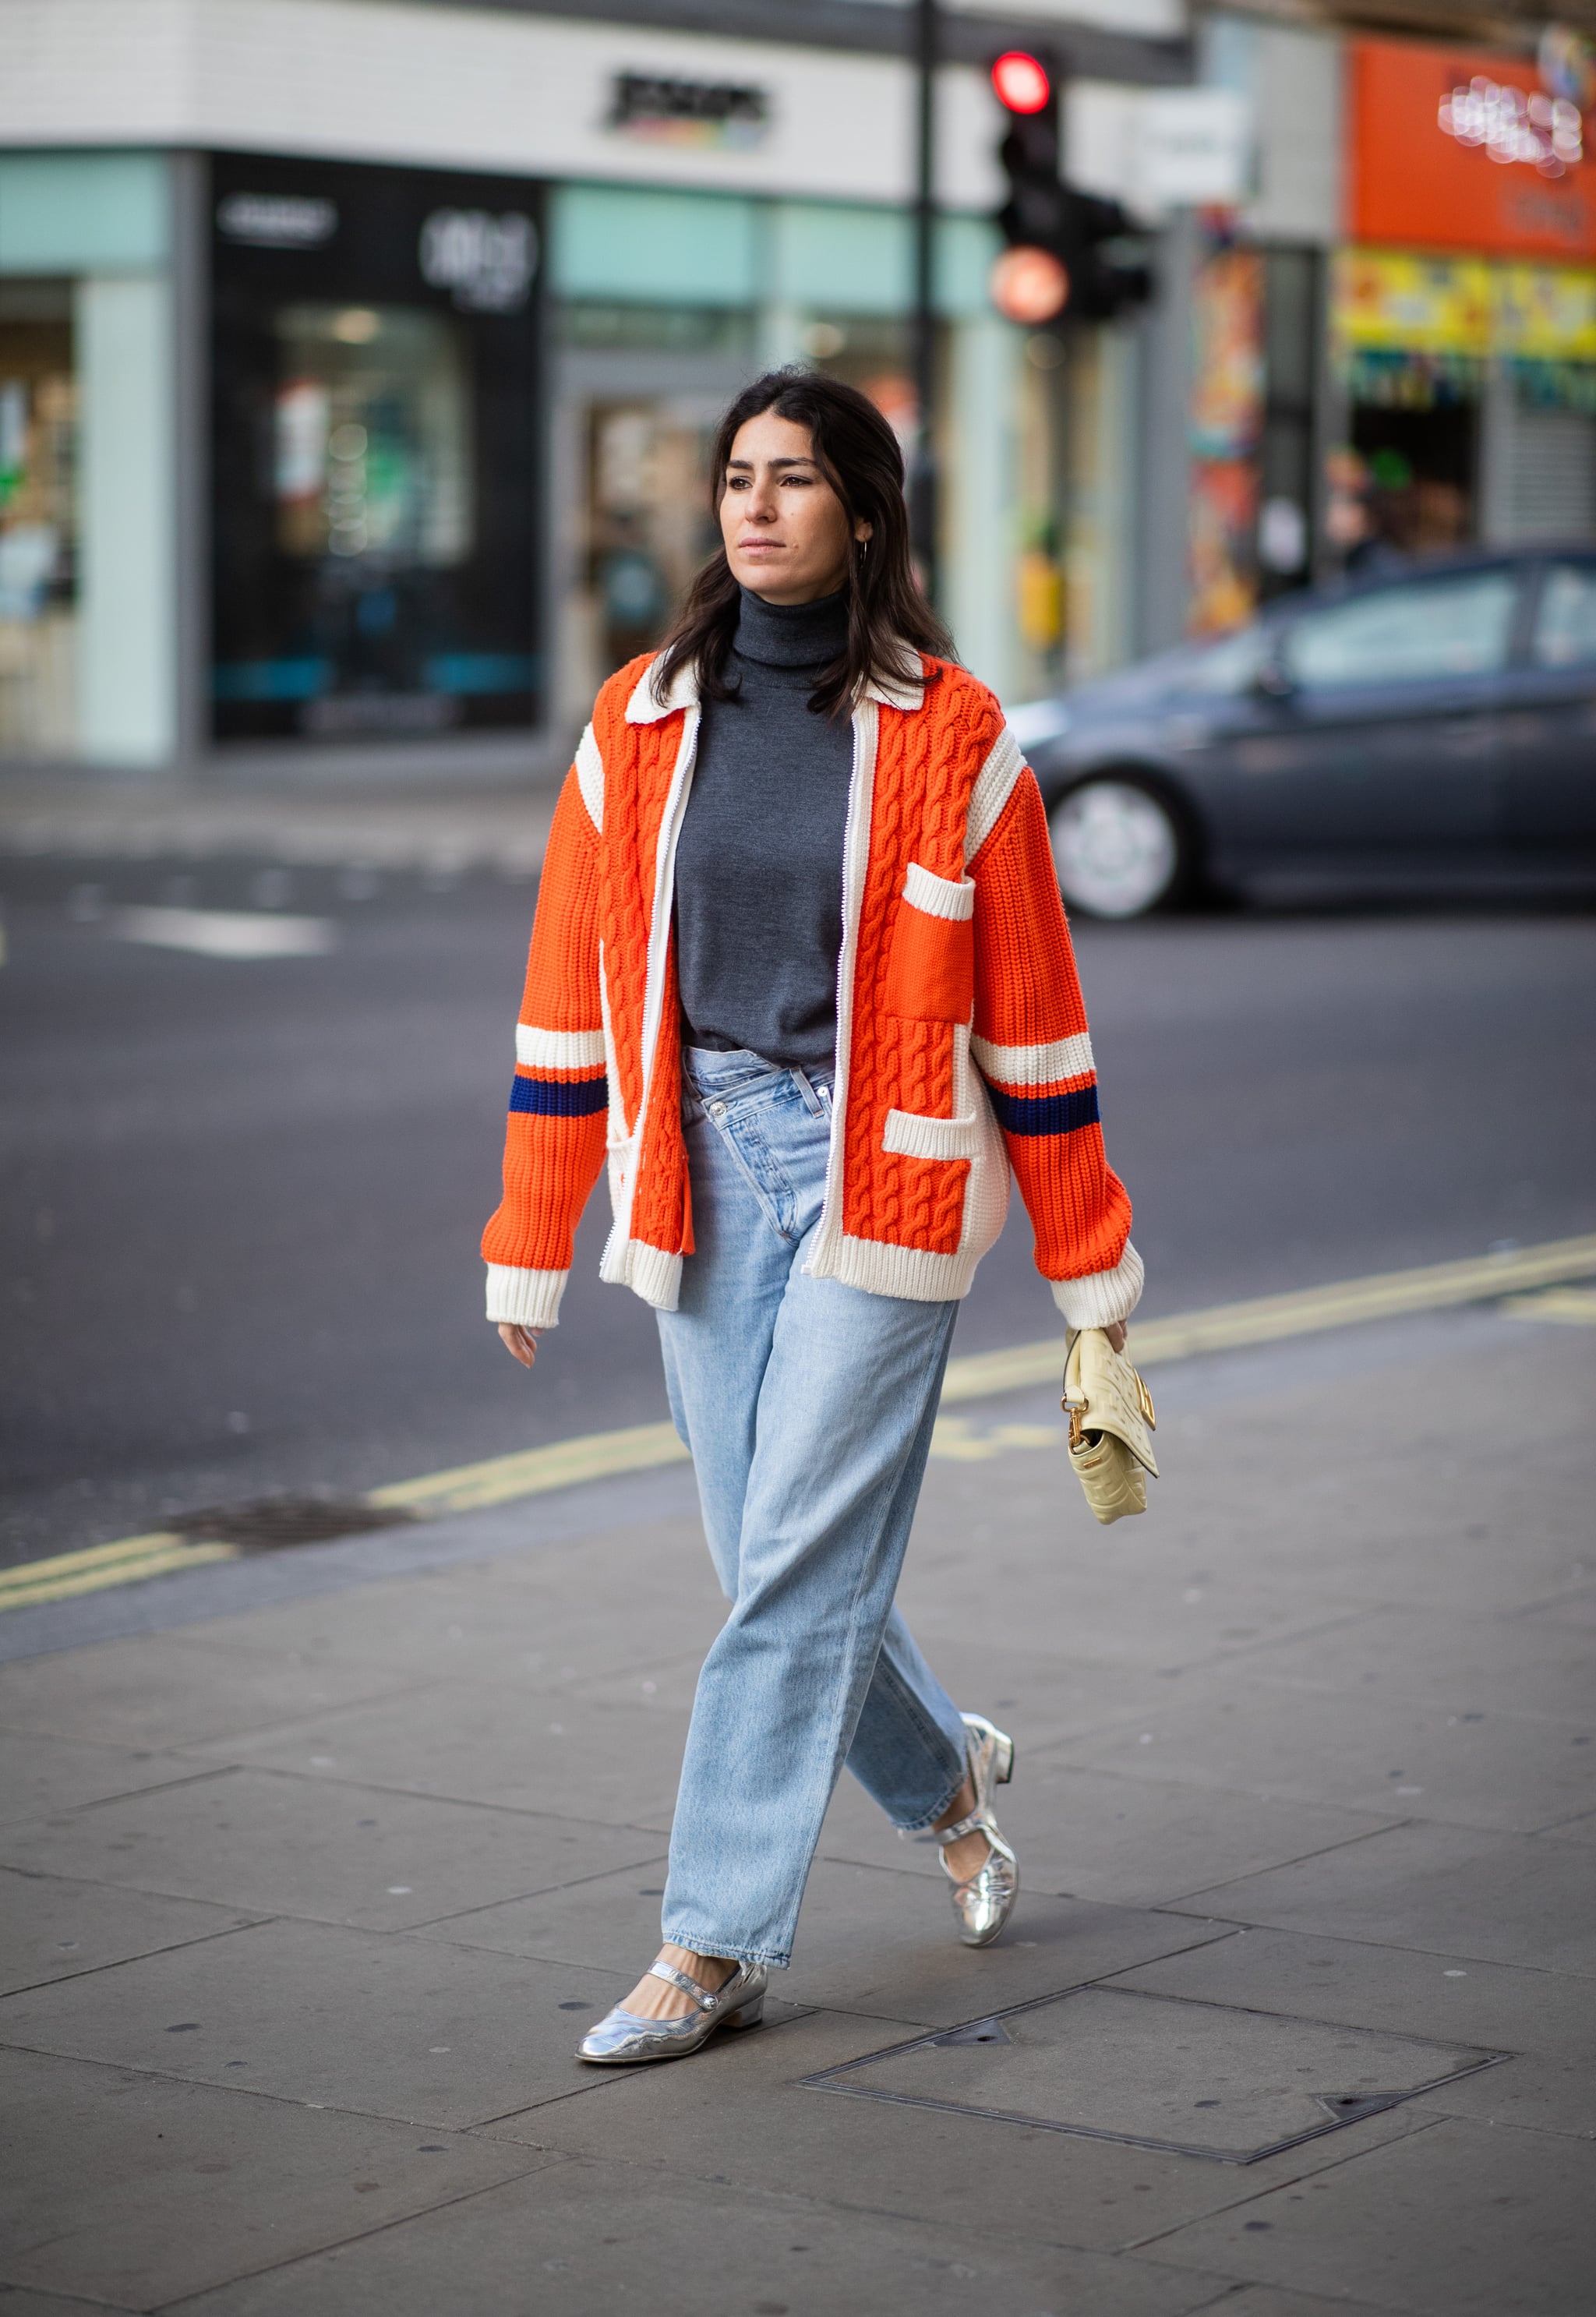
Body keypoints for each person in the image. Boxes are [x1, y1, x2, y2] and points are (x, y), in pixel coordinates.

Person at [483, 369, 1141, 2064]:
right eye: (734, 478)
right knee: (770, 1562)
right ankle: (949, 1787)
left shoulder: (954, 735)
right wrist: (532, 1225)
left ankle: (709, 1939)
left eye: (792, 479)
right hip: (693, 1170)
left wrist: (1088, 1276)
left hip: (886, 1180)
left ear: (863, 507)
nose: (754, 506)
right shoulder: (635, 721)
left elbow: (1039, 1024)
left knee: (785, 1571)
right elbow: (568, 995)